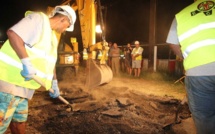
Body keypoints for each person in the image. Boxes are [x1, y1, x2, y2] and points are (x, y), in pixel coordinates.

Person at [0, 5, 76, 133]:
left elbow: (51, 62)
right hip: (9, 84)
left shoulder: (52, 38)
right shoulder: (38, 19)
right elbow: (12, 34)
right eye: (67, 26)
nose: (65, 30)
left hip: (24, 88)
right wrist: (26, 63)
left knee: (19, 122)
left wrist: (54, 82)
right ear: (63, 19)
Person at [166, 0, 215, 133]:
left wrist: (187, 57)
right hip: (198, 74)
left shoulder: (181, 15)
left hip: (199, 74)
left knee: (205, 118)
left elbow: (172, 43)